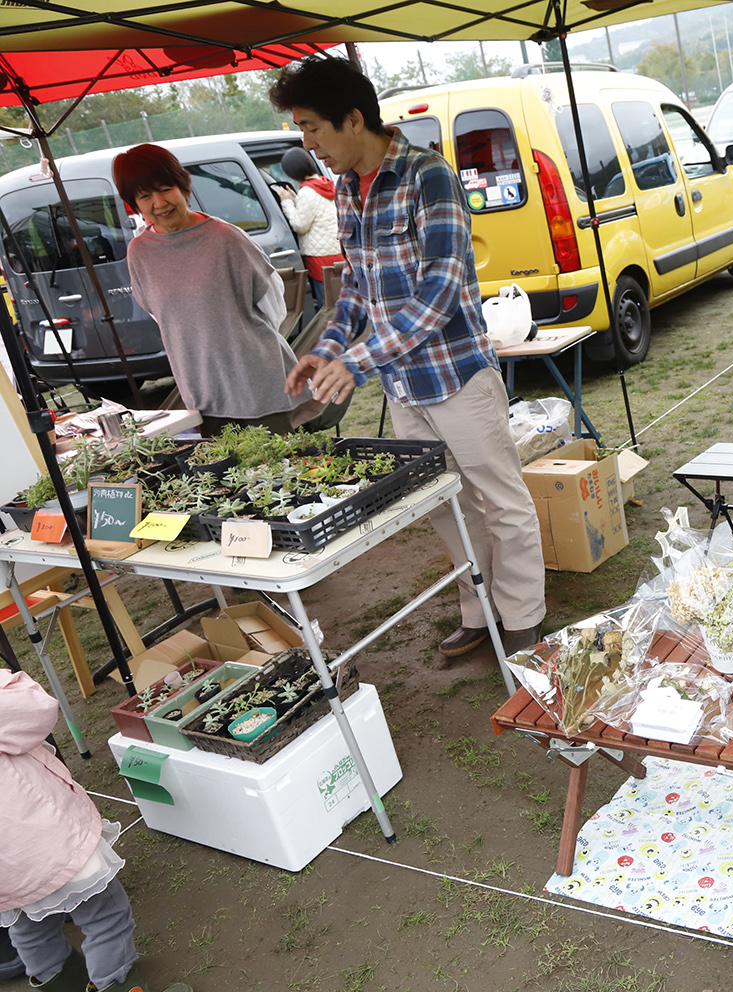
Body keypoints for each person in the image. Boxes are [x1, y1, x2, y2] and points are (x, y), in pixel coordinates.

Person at [268, 56, 546, 660]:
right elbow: (357, 294)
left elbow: (441, 289)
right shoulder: (345, 189)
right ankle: (480, 611)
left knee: (500, 500)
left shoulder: (428, 176)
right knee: (444, 504)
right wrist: (327, 351)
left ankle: (523, 620)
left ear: (353, 119)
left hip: (457, 375)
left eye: (313, 127)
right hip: (402, 385)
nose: (308, 143)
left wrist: (359, 361)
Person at [1, 668, 192, 992]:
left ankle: (69, 988)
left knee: (29, 926)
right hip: (39, 840)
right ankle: (115, 987)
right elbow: (35, 708)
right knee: (105, 913)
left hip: (7, 869)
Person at [113, 144, 312, 434]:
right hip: (202, 394)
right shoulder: (139, 253)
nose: (159, 203)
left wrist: (236, 341)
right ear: (134, 203)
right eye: (145, 196)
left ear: (183, 186)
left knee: (282, 471)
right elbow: (164, 317)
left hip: (259, 385)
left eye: (165, 189)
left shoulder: (226, 238)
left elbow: (273, 304)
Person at [276, 147, 341, 307]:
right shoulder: (326, 184)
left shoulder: (307, 191)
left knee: (326, 303)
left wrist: (286, 202)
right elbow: (317, 212)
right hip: (336, 252)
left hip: (319, 257)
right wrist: (296, 199)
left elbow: (300, 225)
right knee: (338, 299)